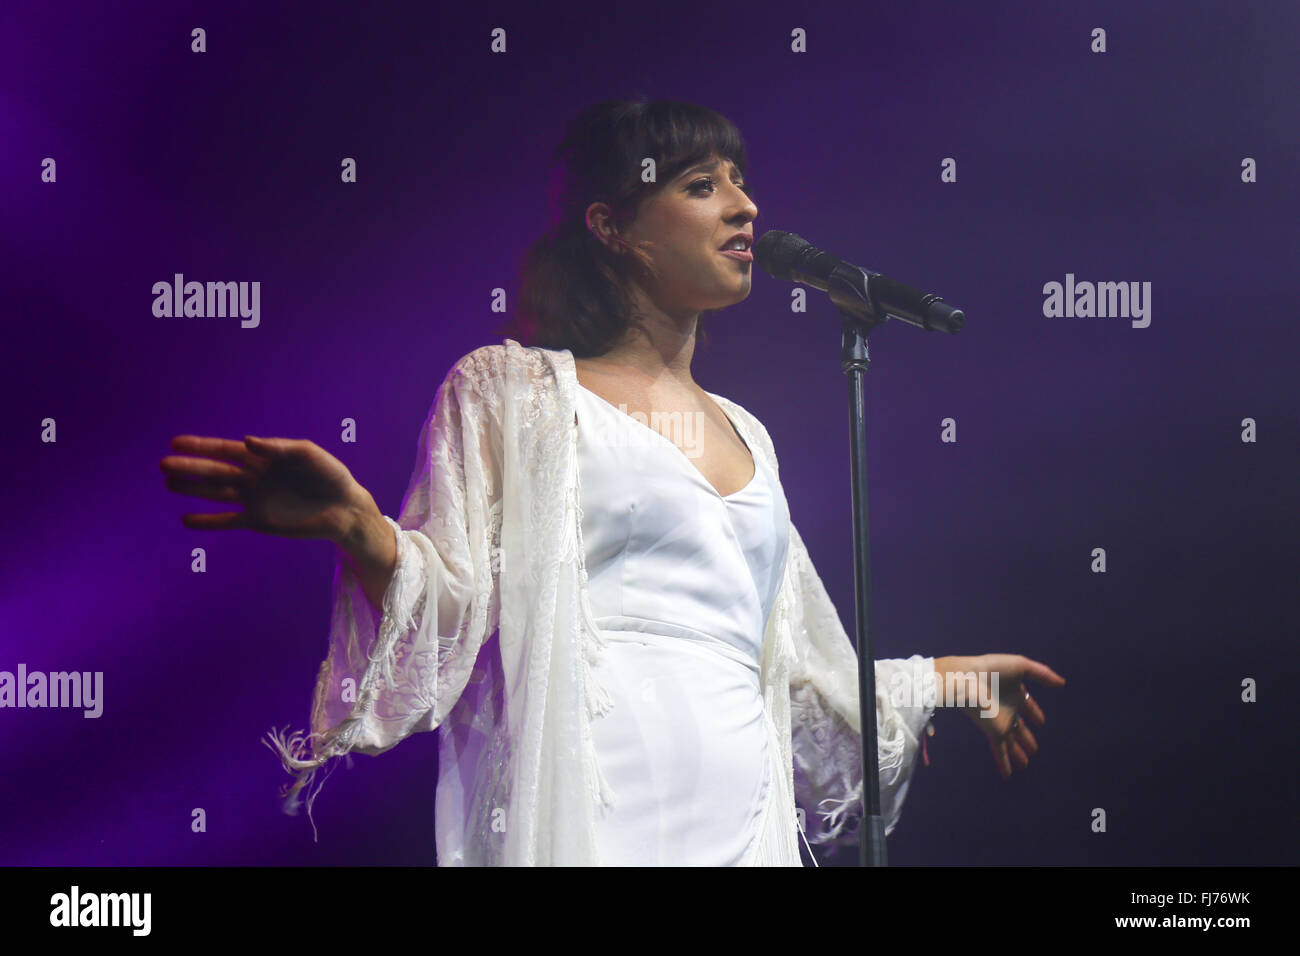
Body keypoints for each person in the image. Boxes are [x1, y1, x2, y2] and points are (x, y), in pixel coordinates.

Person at [160, 98, 1065, 866]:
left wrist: (946, 680)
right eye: (702, 185)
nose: (745, 207)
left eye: (742, 182)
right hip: (596, 814)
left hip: (743, 826)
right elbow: (456, 606)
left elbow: (793, 677)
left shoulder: (750, 433)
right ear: (613, 226)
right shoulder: (514, 393)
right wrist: (359, 527)